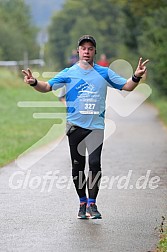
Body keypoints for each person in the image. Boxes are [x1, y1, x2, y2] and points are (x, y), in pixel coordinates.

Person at [22, 35, 149, 219]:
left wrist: (136, 75)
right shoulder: (69, 72)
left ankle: (93, 204)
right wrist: (34, 82)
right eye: (83, 48)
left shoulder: (104, 73)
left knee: (95, 164)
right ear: (78, 51)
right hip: (75, 127)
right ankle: (82, 202)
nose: (87, 51)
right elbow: (46, 87)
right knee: (78, 167)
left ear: (94, 51)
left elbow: (127, 87)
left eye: (90, 48)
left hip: (96, 127)